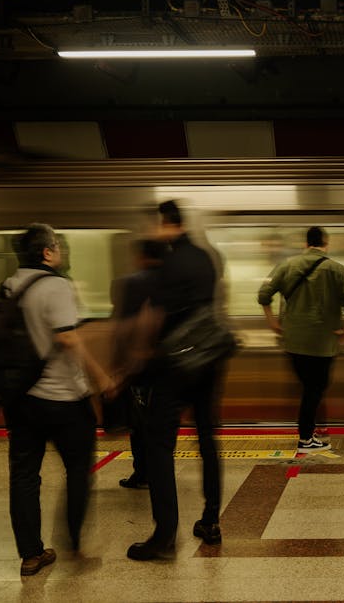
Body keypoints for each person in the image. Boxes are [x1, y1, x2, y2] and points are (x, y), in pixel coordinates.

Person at [3, 223, 115, 576]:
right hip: (63, 399)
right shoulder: (56, 285)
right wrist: (100, 376)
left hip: (21, 399)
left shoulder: (8, 286)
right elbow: (67, 339)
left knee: (24, 475)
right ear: (47, 252)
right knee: (79, 470)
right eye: (57, 246)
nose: (61, 251)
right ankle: (75, 544)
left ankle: (31, 554)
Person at [126, 201, 226, 560]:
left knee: (157, 444)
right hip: (210, 359)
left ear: (166, 224)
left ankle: (164, 535)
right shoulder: (205, 257)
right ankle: (210, 520)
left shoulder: (168, 262)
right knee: (206, 438)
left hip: (177, 364)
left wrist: (139, 359)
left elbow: (156, 315)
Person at [258, 226, 344, 453]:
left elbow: (263, 295)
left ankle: (312, 431)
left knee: (309, 388)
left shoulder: (286, 265)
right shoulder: (338, 269)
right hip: (324, 343)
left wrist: (273, 322)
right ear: (326, 244)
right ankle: (306, 438)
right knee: (315, 389)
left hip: (293, 341)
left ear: (306, 244)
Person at [107, 239, 166, 490]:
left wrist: (117, 365)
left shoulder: (131, 282)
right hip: (167, 363)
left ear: (142, 256)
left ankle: (143, 473)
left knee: (139, 422)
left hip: (140, 365)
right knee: (161, 421)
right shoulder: (174, 281)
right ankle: (162, 471)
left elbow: (123, 326)